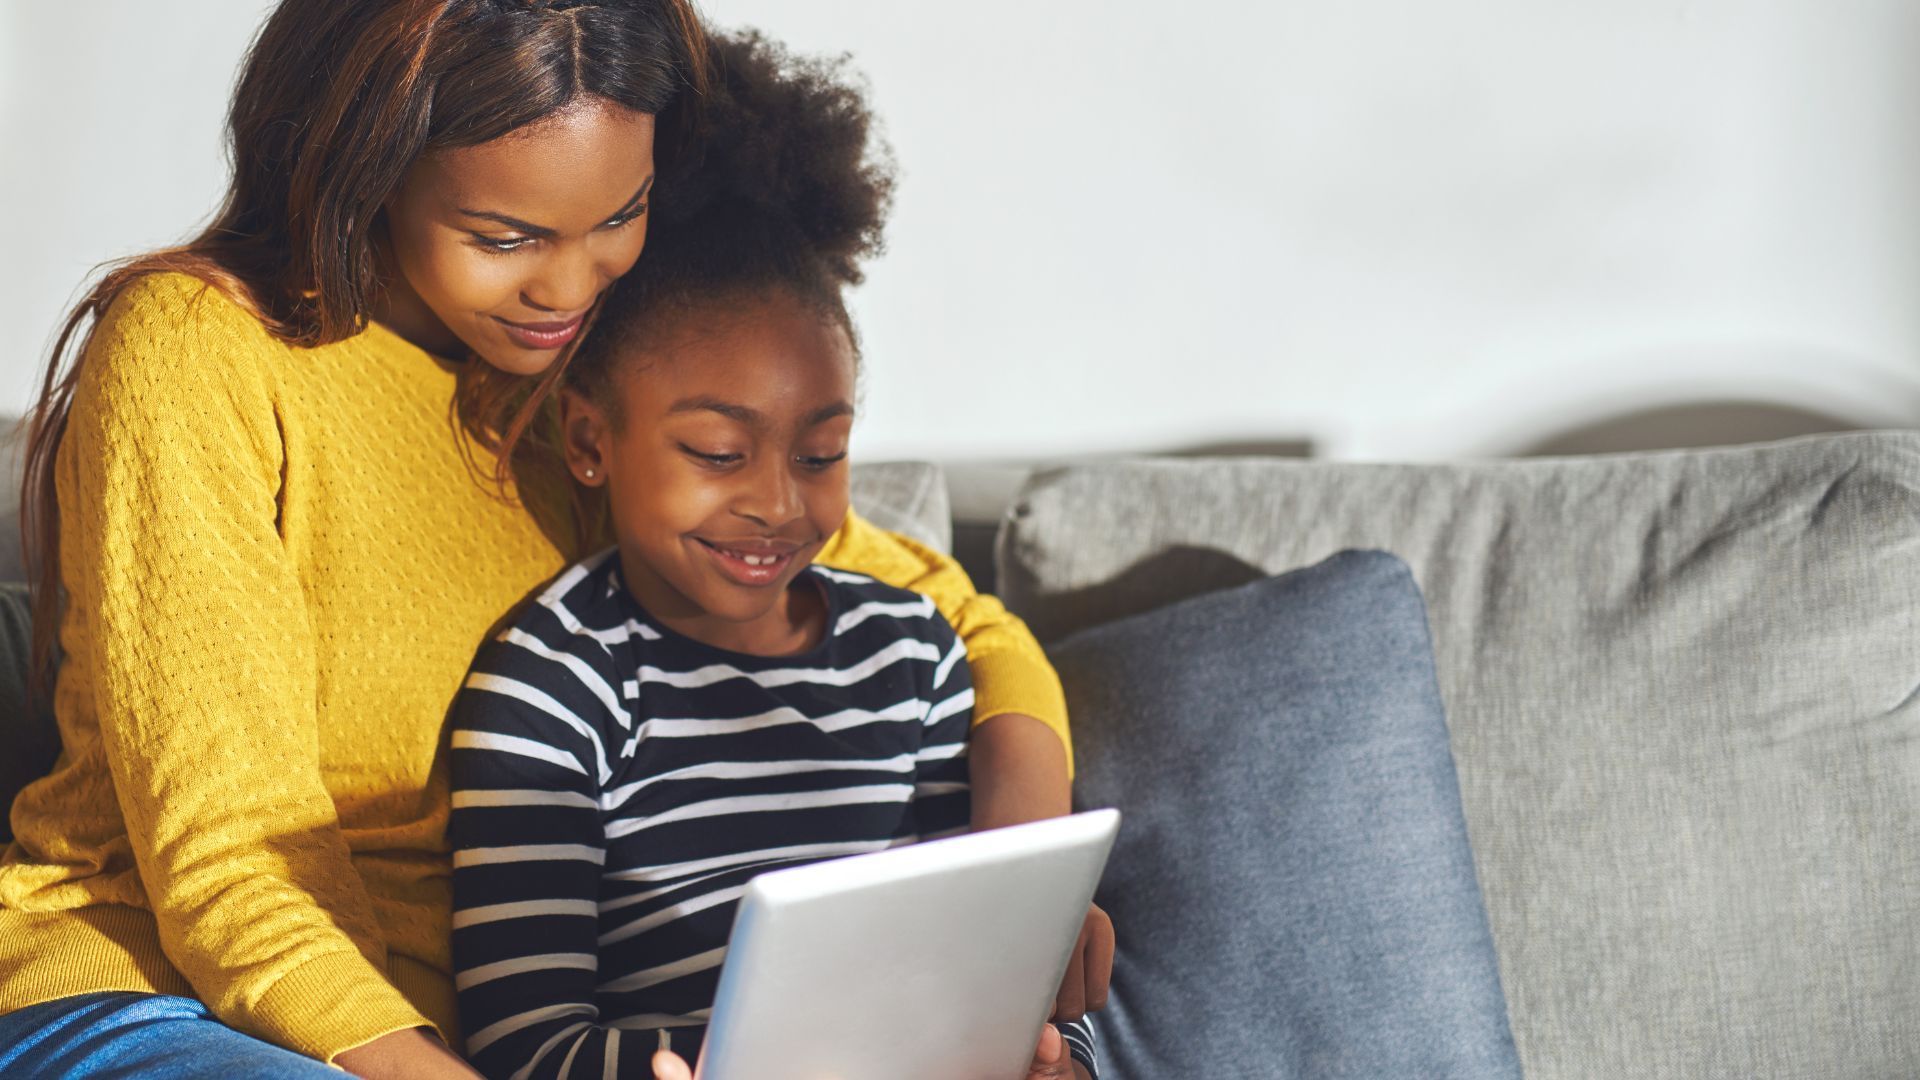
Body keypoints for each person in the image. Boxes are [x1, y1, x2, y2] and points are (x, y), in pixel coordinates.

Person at [0, 2, 1095, 1078]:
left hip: (460, 1043)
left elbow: (969, 628)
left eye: (620, 216)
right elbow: (231, 863)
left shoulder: (591, 383)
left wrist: (1019, 916)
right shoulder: (198, 353)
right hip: (153, 995)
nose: (569, 288)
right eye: (505, 237)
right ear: (367, 168)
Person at [446, 31, 1102, 1080]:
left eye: (821, 452)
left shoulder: (915, 660)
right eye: (717, 452)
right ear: (587, 441)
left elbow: (997, 982)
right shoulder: (554, 683)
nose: (776, 503)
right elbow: (525, 1044)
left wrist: (1050, 1053)